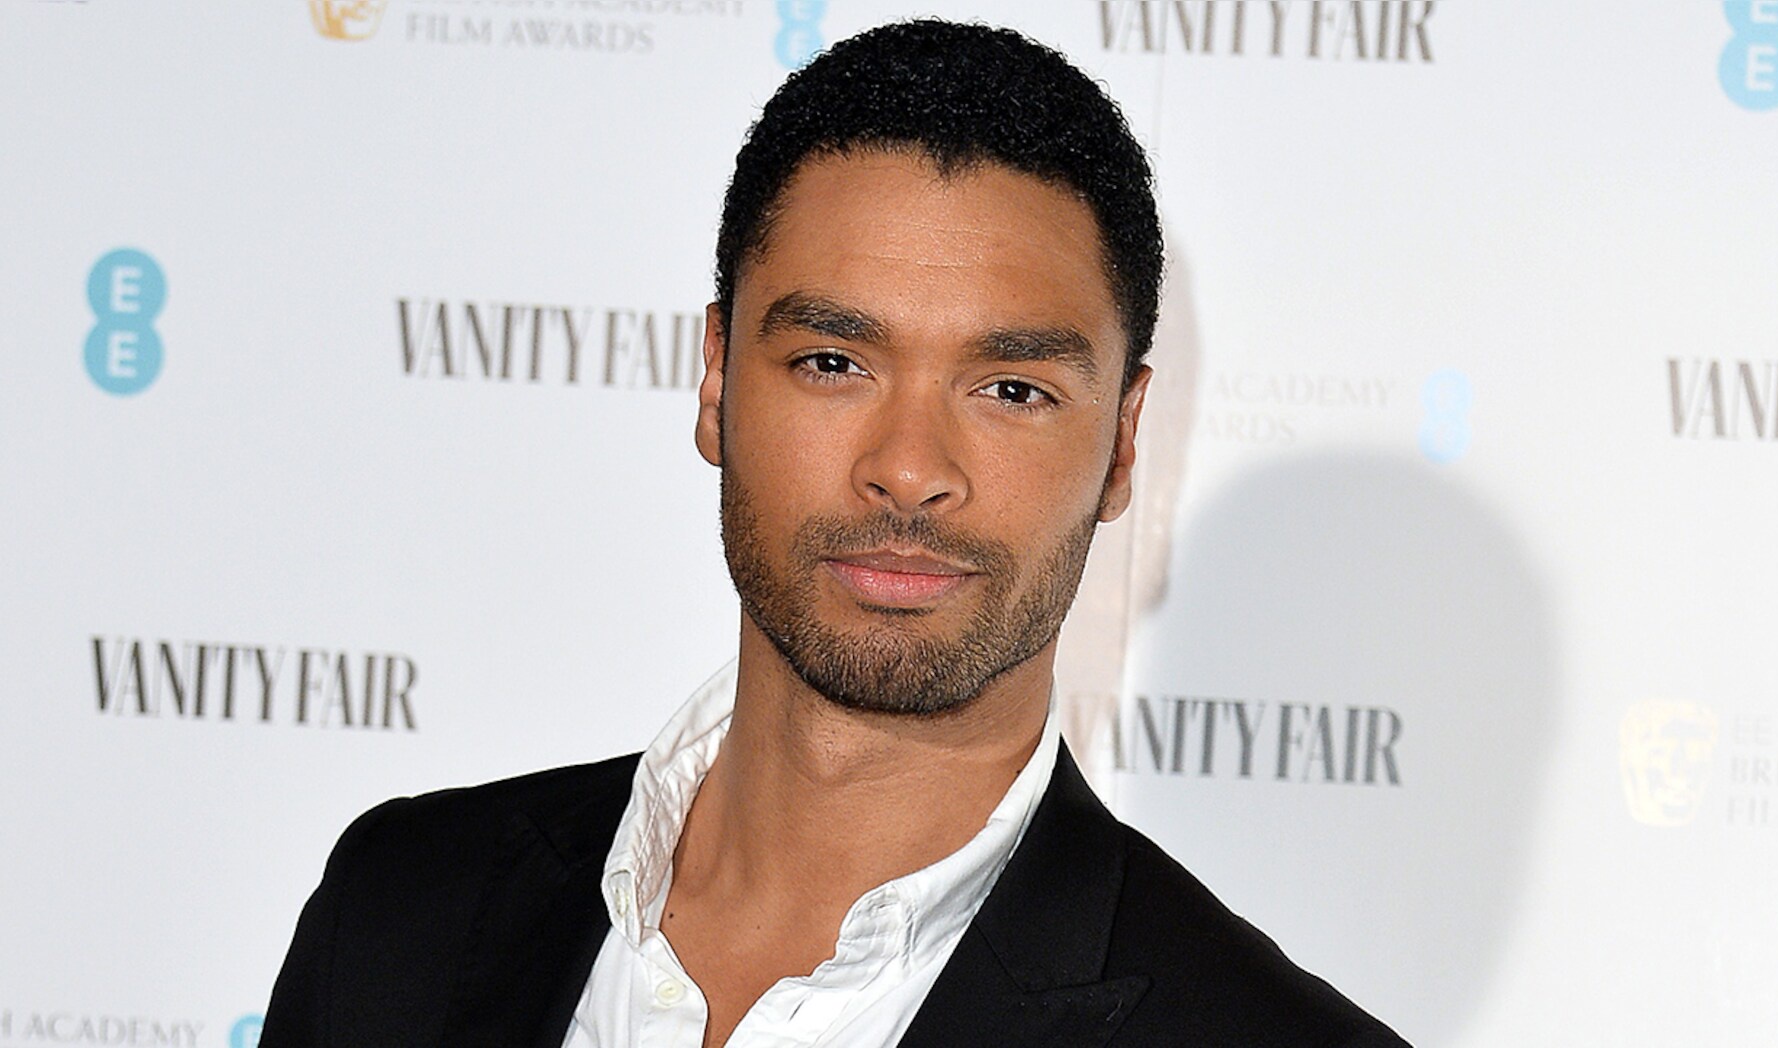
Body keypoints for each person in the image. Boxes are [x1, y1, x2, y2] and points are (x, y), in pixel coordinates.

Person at [260, 19, 1409, 1048]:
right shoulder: (399, 911)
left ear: (1120, 442)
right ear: (716, 380)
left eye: (1010, 389)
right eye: (831, 362)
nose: (907, 468)